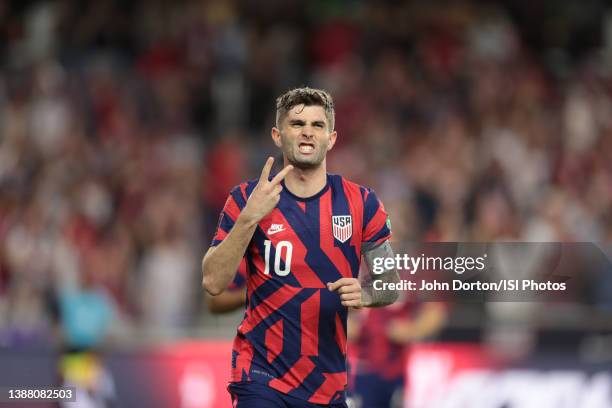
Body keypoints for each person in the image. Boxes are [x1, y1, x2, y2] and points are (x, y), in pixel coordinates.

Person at [202, 87, 400, 408]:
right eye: (297, 124)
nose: (307, 131)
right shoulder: (246, 199)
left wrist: (366, 294)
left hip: (327, 386)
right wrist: (248, 220)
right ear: (278, 136)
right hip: (260, 376)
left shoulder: (361, 203)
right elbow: (213, 282)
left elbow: (390, 284)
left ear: (331, 139)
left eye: (317, 125)